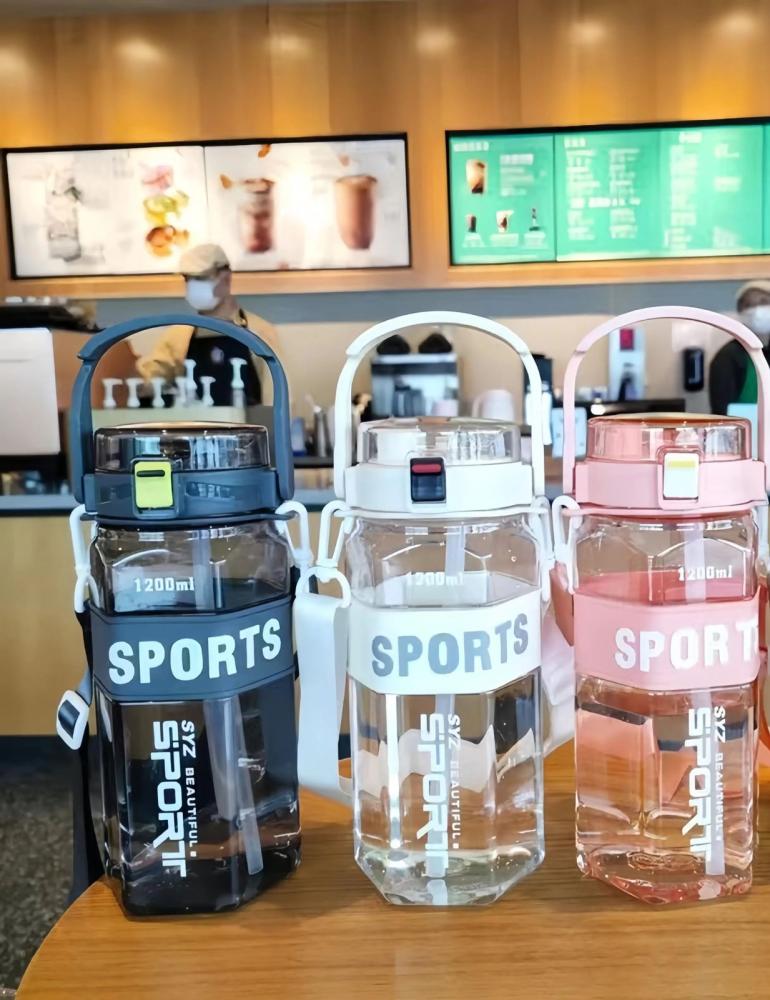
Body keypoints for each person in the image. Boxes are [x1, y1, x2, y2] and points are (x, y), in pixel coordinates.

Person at [136, 243, 282, 404]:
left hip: (248, 420)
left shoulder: (259, 331)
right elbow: (151, 381)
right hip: (194, 420)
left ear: (226, 277)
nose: (193, 285)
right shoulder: (178, 335)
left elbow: (279, 396)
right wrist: (137, 380)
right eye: (188, 279)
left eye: (201, 278)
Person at [709, 279, 770, 414]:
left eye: (763, 302)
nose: (756, 310)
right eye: (748, 305)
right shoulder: (728, 357)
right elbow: (722, 415)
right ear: (740, 312)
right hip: (747, 427)